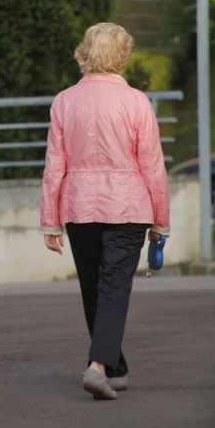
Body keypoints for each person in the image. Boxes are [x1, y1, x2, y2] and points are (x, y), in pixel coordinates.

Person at [40, 22, 170, 400]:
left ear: (85, 52)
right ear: (123, 55)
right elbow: (153, 165)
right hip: (129, 205)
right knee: (114, 286)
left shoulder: (64, 100)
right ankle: (98, 367)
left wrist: (49, 220)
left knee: (93, 288)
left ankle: (115, 367)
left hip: (78, 205)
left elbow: (54, 165)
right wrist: (161, 220)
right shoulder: (136, 102)